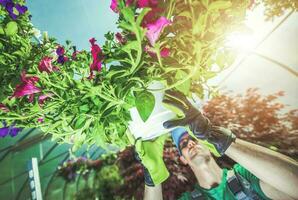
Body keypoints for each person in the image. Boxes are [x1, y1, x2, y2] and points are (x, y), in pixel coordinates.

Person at [136, 91, 298, 200]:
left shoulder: (245, 177)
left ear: (209, 146)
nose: (191, 143)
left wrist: (215, 135)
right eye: (184, 143)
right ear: (183, 159)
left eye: (195, 138)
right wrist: (153, 177)